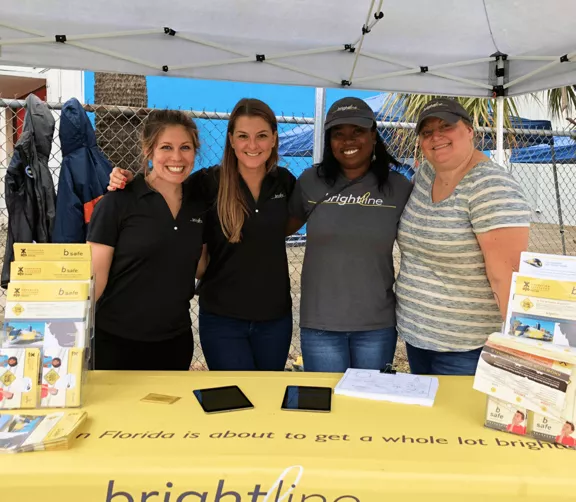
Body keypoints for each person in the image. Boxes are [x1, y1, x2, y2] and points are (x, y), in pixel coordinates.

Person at [108, 99, 296, 371]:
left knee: (269, 400)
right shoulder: (207, 183)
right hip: (223, 319)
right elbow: (162, 187)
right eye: (243, 136)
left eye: (262, 136)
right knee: (237, 401)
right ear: (231, 140)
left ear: (274, 139)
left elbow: (292, 223)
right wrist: (123, 178)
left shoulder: (285, 182)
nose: (252, 145)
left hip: (276, 318)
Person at [396, 98, 531, 376]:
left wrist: (519, 349)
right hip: (417, 337)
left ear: (470, 130)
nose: (436, 136)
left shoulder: (491, 186)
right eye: (427, 132)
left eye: (446, 126)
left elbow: (507, 275)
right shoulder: (425, 174)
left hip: (468, 347)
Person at [288, 97, 413, 372]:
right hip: (321, 323)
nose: (348, 141)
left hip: (376, 325)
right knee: (326, 408)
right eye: (338, 133)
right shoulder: (311, 182)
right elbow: (277, 231)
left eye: (357, 131)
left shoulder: (399, 188)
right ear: (329, 140)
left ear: (373, 135)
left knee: (369, 407)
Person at [88, 110, 206, 371]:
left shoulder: (199, 203)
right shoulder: (118, 202)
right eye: (166, 147)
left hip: (174, 342)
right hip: (116, 343)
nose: (177, 157)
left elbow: (201, 264)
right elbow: (94, 281)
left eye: (185, 147)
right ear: (148, 150)